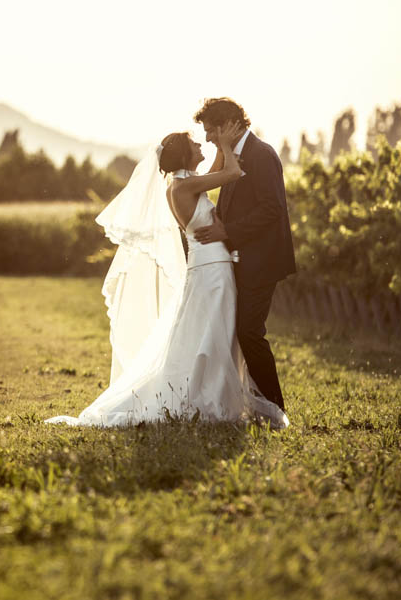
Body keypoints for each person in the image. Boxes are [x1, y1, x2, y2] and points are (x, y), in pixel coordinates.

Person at [45, 116, 289, 428]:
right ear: (184, 156)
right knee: (213, 332)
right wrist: (226, 144)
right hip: (212, 269)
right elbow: (231, 173)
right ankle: (206, 397)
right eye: (194, 144)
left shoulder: (186, 182)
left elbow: (216, 172)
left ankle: (215, 393)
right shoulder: (183, 186)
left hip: (213, 266)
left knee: (216, 332)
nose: (202, 144)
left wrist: (219, 149)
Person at [193, 97, 296, 414]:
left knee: (249, 332)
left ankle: (275, 408)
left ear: (227, 125)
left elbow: (272, 209)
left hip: (262, 261)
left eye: (211, 130)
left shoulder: (260, 155)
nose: (208, 137)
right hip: (242, 260)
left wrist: (228, 232)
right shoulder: (232, 155)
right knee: (240, 330)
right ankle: (254, 403)